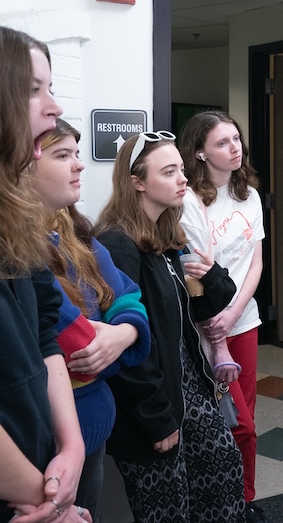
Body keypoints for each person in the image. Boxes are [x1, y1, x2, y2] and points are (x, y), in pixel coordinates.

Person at [94, 130, 246, 522]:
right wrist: (155, 417)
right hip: (153, 405)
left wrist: (213, 277)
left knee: (223, 471)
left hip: (188, 392)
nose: (183, 178)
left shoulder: (166, 236)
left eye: (181, 169)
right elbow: (126, 345)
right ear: (137, 183)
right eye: (169, 172)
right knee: (168, 509)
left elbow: (197, 308)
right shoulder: (118, 244)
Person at [32, 119, 152, 522]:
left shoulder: (75, 234)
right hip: (42, 444)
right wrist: (118, 347)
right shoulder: (21, 252)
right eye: (63, 155)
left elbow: (128, 295)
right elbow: (80, 348)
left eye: (77, 154)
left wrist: (123, 332)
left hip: (92, 432)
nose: (79, 166)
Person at [0, 26, 91, 523]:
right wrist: (50, 502)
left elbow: (45, 335)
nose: (53, 106)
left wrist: (71, 448)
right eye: (33, 90)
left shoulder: (20, 224)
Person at [178, 111, 267, 522]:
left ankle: (245, 499)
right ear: (199, 152)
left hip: (242, 320)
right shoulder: (188, 201)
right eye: (222, 142)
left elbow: (256, 263)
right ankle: (223, 503)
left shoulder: (249, 194)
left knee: (244, 414)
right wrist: (219, 320)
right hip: (206, 328)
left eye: (236, 139)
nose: (235, 148)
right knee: (234, 424)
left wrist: (234, 313)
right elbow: (192, 268)